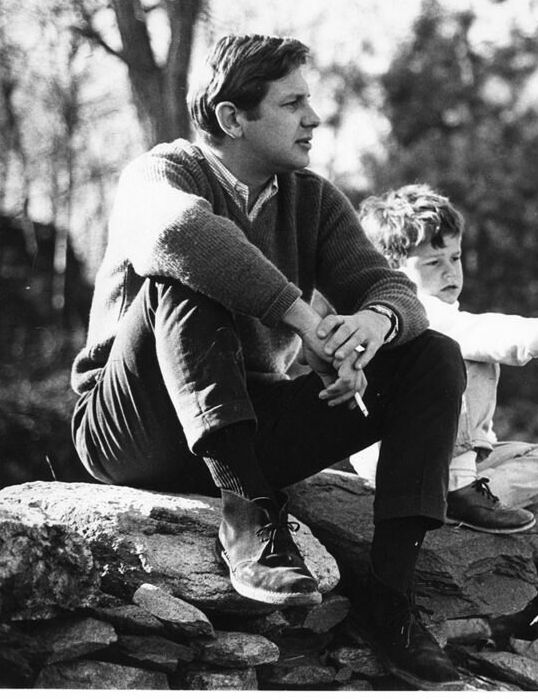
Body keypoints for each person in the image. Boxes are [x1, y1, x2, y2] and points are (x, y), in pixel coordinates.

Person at [69, 35, 466, 690]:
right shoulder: (160, 173)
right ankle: (250, 512)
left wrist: (370, 327)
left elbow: (391, 288)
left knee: (431, 355)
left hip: (253, 421)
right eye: (292, 104)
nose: (315, 117)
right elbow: (180, 234)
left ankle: (391, 596)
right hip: (132, 426)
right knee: (183, 273)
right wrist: (305, 320)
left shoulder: (312, 198)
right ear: (233, 118)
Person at [350, 184, 538, 534]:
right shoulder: (412, 310)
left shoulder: (444, 312)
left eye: (455, 258)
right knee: (465, 355)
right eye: (434, 262)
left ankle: (461, 499)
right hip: (399, 458)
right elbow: (482, 332)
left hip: (445, 465)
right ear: (395, 269)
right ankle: (456, 493)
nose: (450, 272)